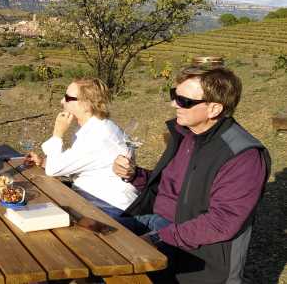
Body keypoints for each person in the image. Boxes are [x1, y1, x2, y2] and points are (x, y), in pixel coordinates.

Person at [113, 66, 270, 283]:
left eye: (184, 101)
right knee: (90, 240)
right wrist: (134, 175)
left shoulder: (243, 156)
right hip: (155, 222)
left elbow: (221, 223)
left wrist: (158, 238)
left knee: (108, 265)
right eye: (174, 95)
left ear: (214, 108)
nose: (173, 104)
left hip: (194, 251)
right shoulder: (188, 135)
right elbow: (170, 185)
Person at [27, 78, 138, 218]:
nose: (62, 101)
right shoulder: (96, 126)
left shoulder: (96, 135)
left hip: (109, 208)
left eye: (68, 98)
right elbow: (80, 163)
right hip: (97, 200)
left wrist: (57, 133)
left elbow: (53, 170)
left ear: (86, 104)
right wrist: (44, 162)